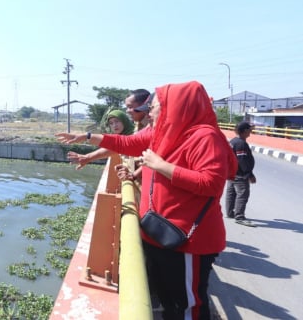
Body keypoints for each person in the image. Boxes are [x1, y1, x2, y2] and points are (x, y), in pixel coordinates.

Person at [56, 81, 237, 320]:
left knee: (188, 305)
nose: (149, 110)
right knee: (168, 300)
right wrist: (88, 137)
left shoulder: (205, 137)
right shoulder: (164, 131)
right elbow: (127, 143)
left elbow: (211, 183)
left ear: (177, 106)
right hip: (161, 231)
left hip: (188, 240)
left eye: (155, 106)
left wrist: (160, 166)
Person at [67, 89, 149, 170]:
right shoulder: (139, 126)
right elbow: (119, 145)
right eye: (111, 123)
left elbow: (123, 144)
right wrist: (88, 157)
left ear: (145, 105)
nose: (127, 111)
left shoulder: (151, 128)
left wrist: (87, 137)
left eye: (130, 107)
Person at [67, 109, 134, 170]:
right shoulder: (120, 137)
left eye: (117, 121)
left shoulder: (133, 135)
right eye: (111, 123)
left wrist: (85, 137)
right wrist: (87, 157)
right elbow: (114, 147)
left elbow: (117, 145)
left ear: (124, 121)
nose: (114, 125)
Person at [225, 121, 257, 226]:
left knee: (231, 193)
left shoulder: (233, 141)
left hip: (231, 173)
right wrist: (249, 174)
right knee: (242, 194)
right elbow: (242, 160)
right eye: (249, 130)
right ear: (245, 131)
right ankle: (239, 216)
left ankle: (230, 213)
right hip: (240, 174)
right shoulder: (241, 143)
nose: (250, 132)